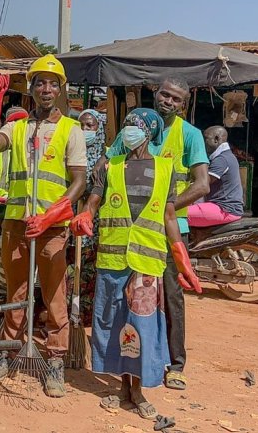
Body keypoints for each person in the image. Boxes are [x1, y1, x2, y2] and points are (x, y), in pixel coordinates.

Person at [72, 109, 202, 419]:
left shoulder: (166, 168)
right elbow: (94, 200)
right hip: (113, 259)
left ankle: (138, 390)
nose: (129, 130)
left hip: (147, 261)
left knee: (142, 326)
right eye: (127, 125)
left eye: (136, 126)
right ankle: (122, 387)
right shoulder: (109, 166)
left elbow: (169, 217)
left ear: (150, 132)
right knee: (115, 323)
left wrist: (182, 260)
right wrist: (85, 215)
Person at [0, 55, 88, 398]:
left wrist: (53, 214)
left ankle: (55, 359)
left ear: (60, 90)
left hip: (52, 227)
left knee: (54, 292)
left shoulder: (71, 129)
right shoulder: (18, 128)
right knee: (17, 291)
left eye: (53, 84)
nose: (46, 89)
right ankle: (8, 351)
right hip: (16, 222)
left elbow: (79, 180)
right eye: (40, 83)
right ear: (31, 88)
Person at [96, 78, 210, 391]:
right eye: (165, 95)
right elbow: (106, 164)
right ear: (155, 94)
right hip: (126, 232)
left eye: (176, 99)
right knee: (126, 300)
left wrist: (163, 207)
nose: (168, 102)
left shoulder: (189, 135)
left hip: (169, 229)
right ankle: (127, 364)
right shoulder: (135, 127)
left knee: (169, 298)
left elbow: (202, 184)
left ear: (183, 105)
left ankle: (175, 364)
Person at [76, 108, 107, 325]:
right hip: (72, 216)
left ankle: (87, 316)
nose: (85, 130)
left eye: (90, 126)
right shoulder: (72, 152)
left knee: (89, 269)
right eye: (81, 126)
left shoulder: (106, 158)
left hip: (94, 222)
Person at [187, 126, 244, 227]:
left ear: (216, 139)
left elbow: (202, 184)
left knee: (175, 214)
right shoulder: (226, 156)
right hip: (224, 208)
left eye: (205, 138)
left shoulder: (222, 159)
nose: (203, 142)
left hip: (224, 209)